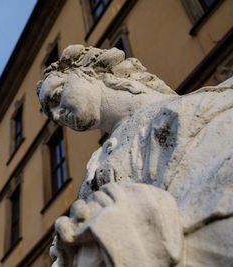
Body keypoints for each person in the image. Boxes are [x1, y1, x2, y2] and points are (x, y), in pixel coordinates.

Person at [37, 45, 233, 266]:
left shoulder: (191, 111)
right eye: (51, 114)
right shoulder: (97, 167)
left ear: (86, 72)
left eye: (56, 97)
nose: (57, 116)